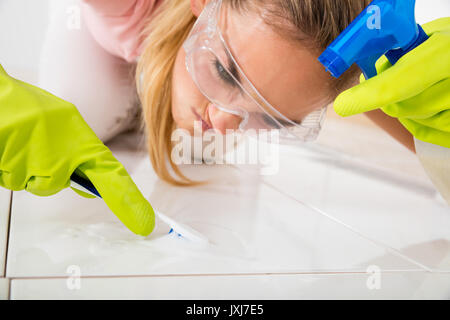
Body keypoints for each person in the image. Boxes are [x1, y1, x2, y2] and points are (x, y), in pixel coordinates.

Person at [0, 0, 449, 236]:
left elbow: (422, 141)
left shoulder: (330, 59)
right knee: (81, 118)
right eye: (224, 70)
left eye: (271, 117)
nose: (222, 123)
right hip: (108, 30)